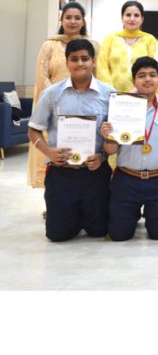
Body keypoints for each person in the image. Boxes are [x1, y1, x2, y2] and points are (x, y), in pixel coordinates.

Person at [27, 39, 114, 242]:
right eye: (74, 59)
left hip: (95, 173)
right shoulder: (51, 94)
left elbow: (114, 141)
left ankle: (84, 215)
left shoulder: (108, 94)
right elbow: (33, 131)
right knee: (57, 235)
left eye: (85, 58)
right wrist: (49, 152)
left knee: (99, 231)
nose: (80, 63)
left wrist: (102, 156)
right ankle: (70, 216)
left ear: (93, 61)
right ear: (67, 62)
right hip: (62, 172)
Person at [101, 57, 158, 241]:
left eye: (152, 75)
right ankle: (131, 215)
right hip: (126, 180)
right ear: (134, 81)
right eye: (141, 76)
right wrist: (108, 136)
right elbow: (110, 150)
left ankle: (151, 215)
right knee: (118, 235)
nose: (147, 79)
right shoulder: (121, 107)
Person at [28, 2, 100, 190]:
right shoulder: (49, 45)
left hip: (87, 108)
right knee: (55, 154)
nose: (73, 21)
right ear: (61, 20)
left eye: (77, 18)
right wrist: (58, 99)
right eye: (68, 17)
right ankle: (52, 202)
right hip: (56, 108)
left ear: (83, 21)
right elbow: (42, 76)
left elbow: (97, 75)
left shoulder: (93, 45)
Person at [97, 0, 157, 92]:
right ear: (122, 17)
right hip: (112, 94)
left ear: (142, 19)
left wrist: (138, 89)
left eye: (136, 15)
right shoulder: (110, 39)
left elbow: (155, 69)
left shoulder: (149, 39)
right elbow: (102, 68)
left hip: (143, 93)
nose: (132, 19)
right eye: (128, 15)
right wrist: (111, 91)